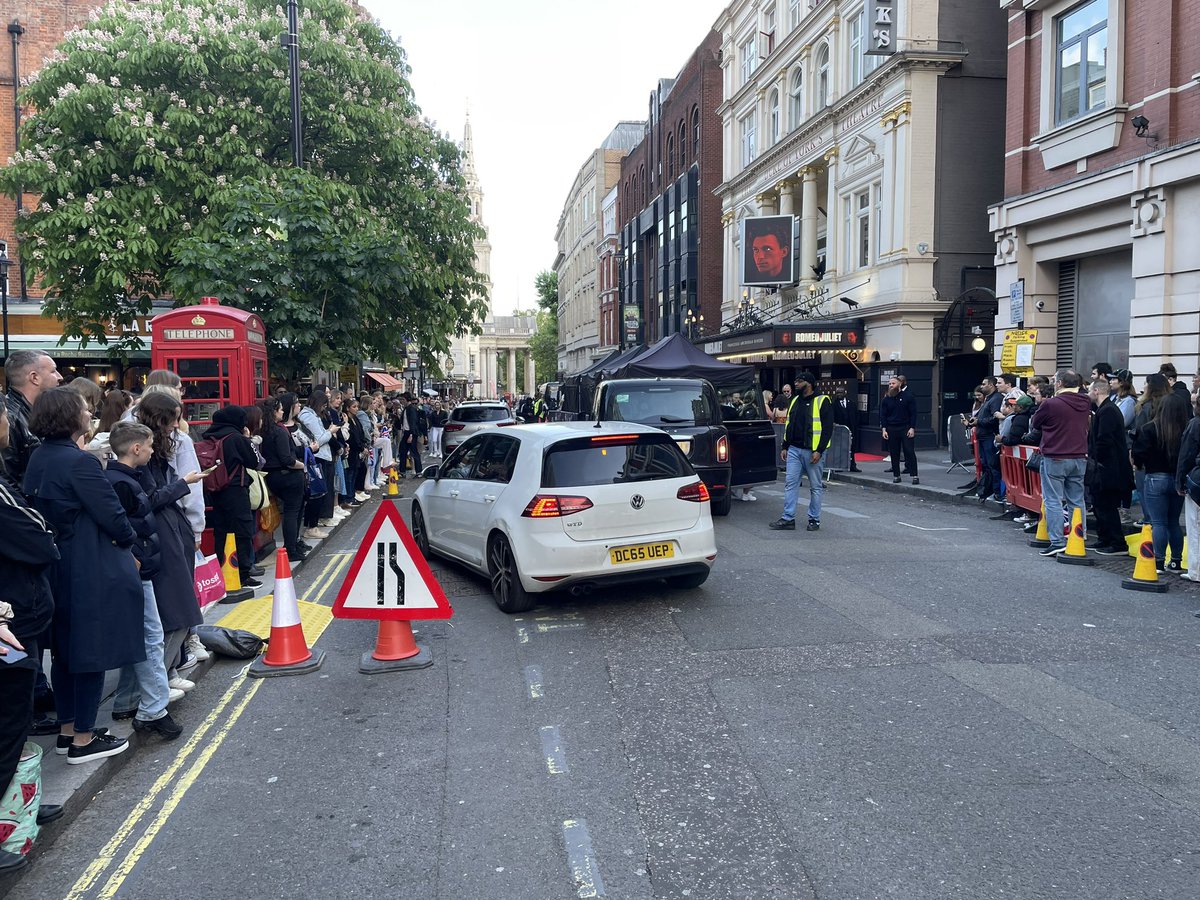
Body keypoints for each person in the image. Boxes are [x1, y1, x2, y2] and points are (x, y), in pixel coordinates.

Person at [24, 387, 140, 764]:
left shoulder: (40, 457)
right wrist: (130, 542)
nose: (89, 413)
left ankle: (68, 730)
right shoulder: (81, 463)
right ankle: (85, 739)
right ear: (70, 417)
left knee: (65, 652)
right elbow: (113, 516)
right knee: (91, 650)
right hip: (89, 564)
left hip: (56, 564)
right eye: (84, 409)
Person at [0, 398, 61, 871]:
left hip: (18, 613)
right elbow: (39, 536)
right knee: (7, 727)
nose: (9, 422)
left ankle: (16, 807)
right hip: (11, 621)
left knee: (16, 729)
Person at [104, 421, 192, 739]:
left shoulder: (128, 477)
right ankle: (152, 710)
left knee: (151, 637)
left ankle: (147, 707)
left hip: (143, 568)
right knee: (150, 639)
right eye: (151, 445)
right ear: (137, 448)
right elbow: (121, 526)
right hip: (136, 570)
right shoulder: (120, 483)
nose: (154, 450)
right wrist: (133, 555)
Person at [136, 394, 206, 689]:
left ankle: (169, 671)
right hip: (160, 534)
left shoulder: (162, 446)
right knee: (176, 608)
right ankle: (160, 679)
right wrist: (183, 484)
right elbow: (148, 500)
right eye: (173, 418)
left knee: (181, 606)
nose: (177, 425)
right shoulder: (140, 454)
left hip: (174, 527)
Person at [1029, 370, 1091, 557]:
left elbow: (1036, 423)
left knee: (1053, 500)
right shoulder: (1085, 401)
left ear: (1060, 383)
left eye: (1056, 380)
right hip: (1079, 455)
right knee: (1076, 500)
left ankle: (1056, 541)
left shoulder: (1051, 403)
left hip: (1055, 455)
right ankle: (1078, 536)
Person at [200, 405, 263, 588]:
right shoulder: (236, 438)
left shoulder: (210, 436)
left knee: (222, 532)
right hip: (235, 490)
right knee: (242, 532)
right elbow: (256, 461)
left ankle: (223, 571)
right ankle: (243, 575)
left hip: (215, 491)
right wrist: (248, 438)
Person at [1132, 390, 1189, 573]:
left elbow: (1139, 453)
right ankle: (1176, 561)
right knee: (1173, 522)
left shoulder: (1149, 428)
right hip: (1178, 479)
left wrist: (1140, 465)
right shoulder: (1186, 429)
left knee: (1158, 523)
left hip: (1155, 476)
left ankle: (1157, 561)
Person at [770, 371, 832, 532]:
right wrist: (785, 446)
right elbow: (789, 425)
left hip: (812, 452)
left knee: (815, 487)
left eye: (799, 381)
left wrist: (819, 450)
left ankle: (814, 519)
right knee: (790, 484)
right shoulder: (795, 400)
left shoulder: (822, 401)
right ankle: (788, 518)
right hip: (795, 450)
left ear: (809, 383)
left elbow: (827, 429)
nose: (795, 384)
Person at [1085, 378, 1133, 555]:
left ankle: (1117, 543)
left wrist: (1097, 460)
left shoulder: (1108, 411)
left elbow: (1104, 440)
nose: (1089, 392)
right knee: (1100, 504)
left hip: (1109, 468)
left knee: (1107, 506)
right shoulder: (1104, 410)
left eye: (1090, 389)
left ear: (1097, 391)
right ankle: (1104, 538)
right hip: (1105, 466)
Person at [3, 350, 62, 484]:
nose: (60, 377)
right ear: (34, 377)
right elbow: (8, 479)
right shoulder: (9, 418)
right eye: (53, 371)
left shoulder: (39, 411)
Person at [263, 393, 309, 557]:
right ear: (274, 412)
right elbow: (287, 459)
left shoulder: (265, 430)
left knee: (291, 511)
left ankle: (294, 544)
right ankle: (292, 549)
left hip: (273, 476)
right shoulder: (279, 431)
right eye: (281, 410)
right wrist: (302, 465)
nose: (283, 413)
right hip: (288, 475)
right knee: (292, 512)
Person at [298, 390, 339, 530]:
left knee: (322, 492)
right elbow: (319, 439)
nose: (324, 408)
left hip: (323, 456)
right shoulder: (309, 417)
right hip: (318, 457)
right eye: (323, 405)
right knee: (317, 494)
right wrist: (330, 431)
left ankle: (315, 524)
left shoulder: (312, 415)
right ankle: (313, 526)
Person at [1176, 394, 1200, 583]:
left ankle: (1196, 570)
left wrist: (1180, 482)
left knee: (1195, 525)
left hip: (1197, 481)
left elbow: (1186, 455)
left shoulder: (1195, 424)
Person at [970, 377, 1004, 501]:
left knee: (992, 465)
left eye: (984, 384)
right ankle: (988, 490)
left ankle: (997, 492)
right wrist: (974, 421)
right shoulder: (988, 399)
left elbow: (994, 418)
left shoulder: (996, 399)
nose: (982, 386)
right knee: (986, 465)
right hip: (983, 436)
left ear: (990, 385)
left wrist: (979, 421)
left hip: (989, 436)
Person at [880, 376, 918, 485]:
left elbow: (913, 413)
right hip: (892, 428)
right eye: (890, 384)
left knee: (909, 451)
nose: (891, 385)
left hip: (905, 427)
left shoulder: (908, 396)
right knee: (894, 452)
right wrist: (884, 429)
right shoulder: (886, 399)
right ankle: (896, 475)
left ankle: (914, 475)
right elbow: (883, 415)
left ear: (899, 384)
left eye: (893, 383)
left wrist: (912, 428)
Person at [831, 387, 860, 473]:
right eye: (837, 393)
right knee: (839, 448)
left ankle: (852, 465)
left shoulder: (851, 403)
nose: (839, 394)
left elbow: (856, 415)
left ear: (845, 393)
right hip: (839, 430)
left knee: (851, 448)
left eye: (841, 392)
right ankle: (838, 466)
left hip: (851, 429)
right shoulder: (833, 404)